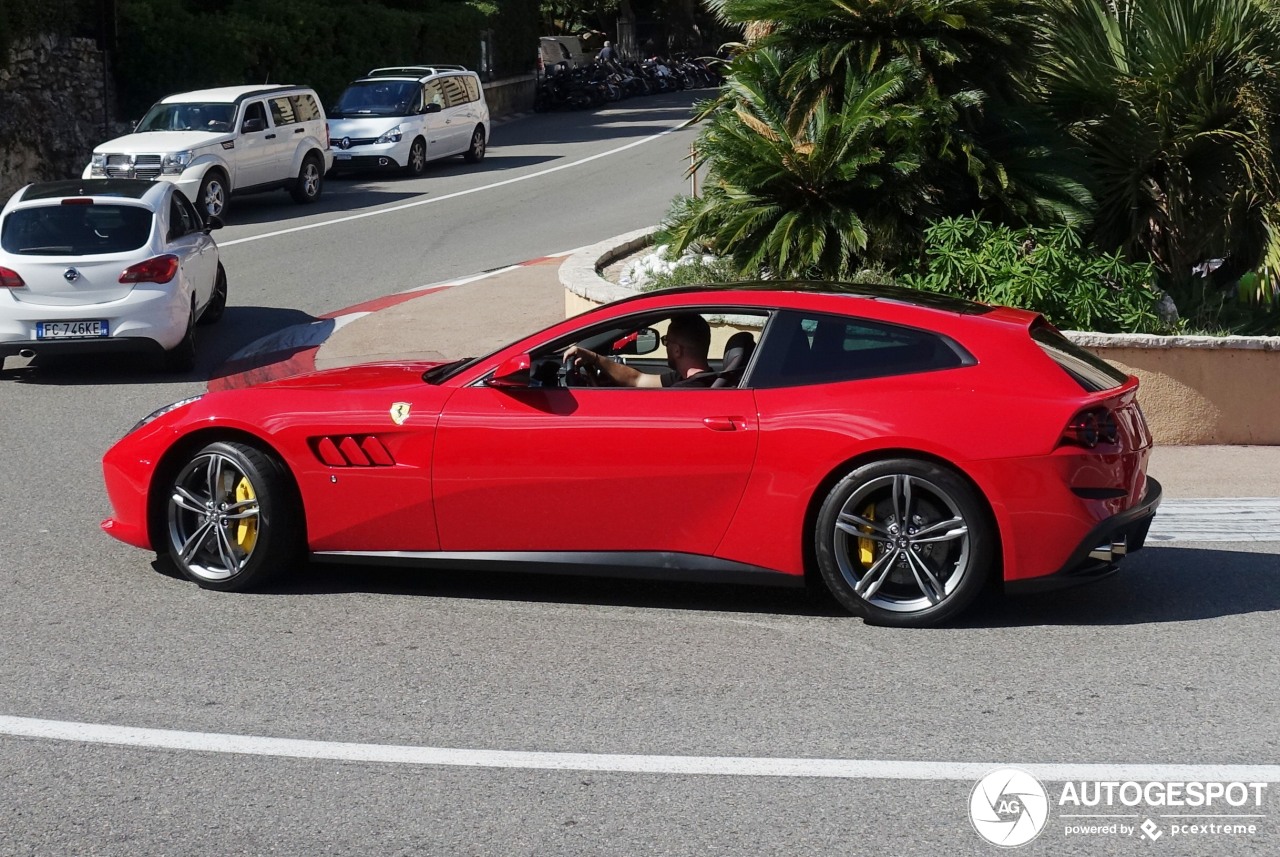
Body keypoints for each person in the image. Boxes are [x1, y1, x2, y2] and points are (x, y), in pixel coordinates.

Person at [565, 313, 716, 388]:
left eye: (666, 341)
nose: (666, 346)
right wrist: (594, 359)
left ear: (677, 350)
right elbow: (637, 379)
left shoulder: (684, 392)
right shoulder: (696, 379)